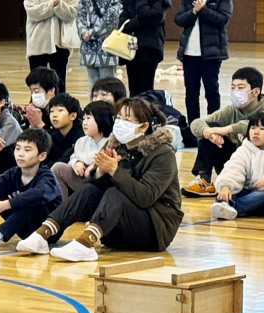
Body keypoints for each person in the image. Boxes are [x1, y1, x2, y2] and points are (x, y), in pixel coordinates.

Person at [16, 98, 183, 261]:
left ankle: (86, 243)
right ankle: (43, 233)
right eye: (119, 118)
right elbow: (91, 190)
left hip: (156, 230)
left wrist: (115, 171)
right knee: (91, 190)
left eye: (127, 119)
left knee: (114, 194)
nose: (120, 123)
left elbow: (145, 197)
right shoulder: (114, 144)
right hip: (117, 230)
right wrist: (100, 173)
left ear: (143, 126)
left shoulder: (163, 153)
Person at [183, 67, 264, 197]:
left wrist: (226, 129)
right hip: (233, 165)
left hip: (258, 168)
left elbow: (256, 124)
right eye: (233, 87)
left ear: (256, 91)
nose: (235, 92)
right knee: (210, 127)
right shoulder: (230, 110)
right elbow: (196, 123)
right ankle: (204, 180)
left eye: (241, 88)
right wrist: (209, 132)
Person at [174, 0, 233, 124]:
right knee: (191, 92)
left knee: (211, 91)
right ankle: (194, 128)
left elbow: (223, 19)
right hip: (189, 53)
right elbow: (179, 19)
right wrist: (193, 11)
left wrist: (203, 10)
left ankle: (213, 125)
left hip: (211, 53)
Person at [24, 0, 79, 92]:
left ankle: (60, 107)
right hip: (38, 44)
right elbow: (32, 12)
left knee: (59, 81)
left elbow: (72, 13)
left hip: (60, 44)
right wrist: (50, 6)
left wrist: (59, 5)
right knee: (37, 81)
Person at [212, 112, 264, 220]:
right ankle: (235, 205)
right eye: (253, 128)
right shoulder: (244, 149)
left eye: (262, 129)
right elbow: (233, 168)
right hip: (249, 193)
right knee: (230, 192)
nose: (256, 132)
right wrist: (226, 186)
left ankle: (233, 206)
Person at [120, 0, 171, 96]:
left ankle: (146, 114)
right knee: (134, 86)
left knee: (146, 87)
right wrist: (141, 20)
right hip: (131, 47)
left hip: (150, 47)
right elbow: (124, 24)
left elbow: (155, 18)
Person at [51, 101, 114, 201]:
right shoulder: (81, 141)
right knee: (58, 168)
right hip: (82, 181)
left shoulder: (112, 142)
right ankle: (62, 205)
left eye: (88, 118)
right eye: (84, 118)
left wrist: (94, 168)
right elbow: (73, 157)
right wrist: (77, 162)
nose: (84, 122)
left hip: (102, 187)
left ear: (102, 119)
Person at [77, 0, 122, 87]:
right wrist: (82, 31)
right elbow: (80, 15)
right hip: (88, 48)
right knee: (93, 85)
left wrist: (91, 33)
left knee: (107, 85)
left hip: (107, 47)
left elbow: (111, 20)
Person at [45, 93, 84, 165]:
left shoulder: (82, 135)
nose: (54, 115)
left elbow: (67, 159)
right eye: (52, 111)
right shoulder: (50, 135)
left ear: (72, 116)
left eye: (60, 110)